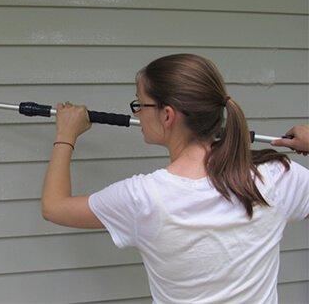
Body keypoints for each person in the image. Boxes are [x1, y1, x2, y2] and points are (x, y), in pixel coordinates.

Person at [40, 54, 309, 304]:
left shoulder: (144, 198)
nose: (137, 113)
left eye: (140, 104)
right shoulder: (276, 176)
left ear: (167, 115)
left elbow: (54, 207)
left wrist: (66, 134)